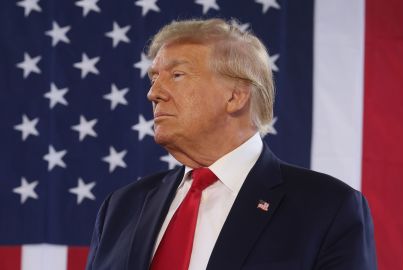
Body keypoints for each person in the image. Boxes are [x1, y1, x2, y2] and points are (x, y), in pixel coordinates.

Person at [86, 18, 377, 270]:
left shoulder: (326, 208)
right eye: (154, 78)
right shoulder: (122, 208)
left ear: (236, 96)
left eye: (176, 75)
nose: (154, 93)